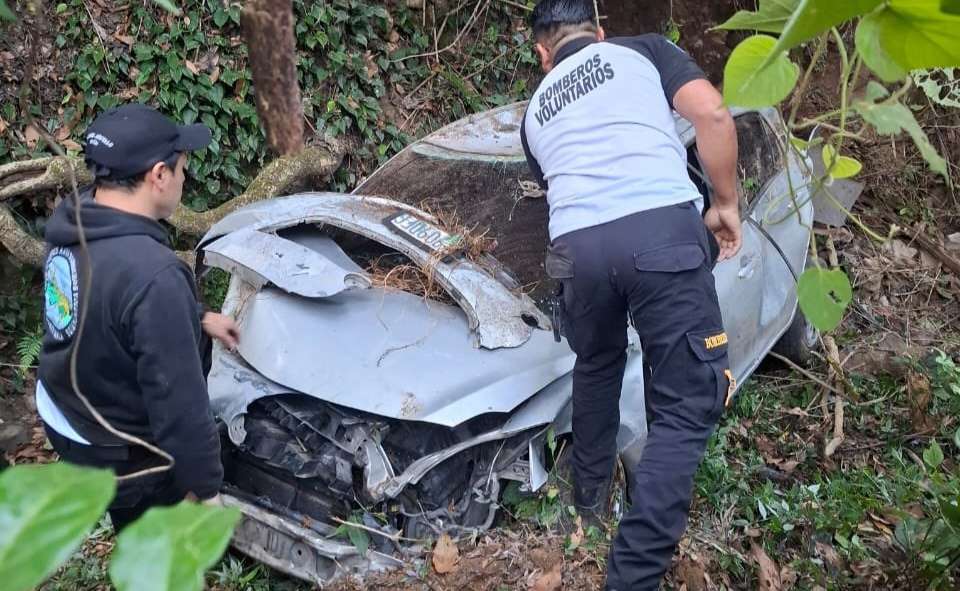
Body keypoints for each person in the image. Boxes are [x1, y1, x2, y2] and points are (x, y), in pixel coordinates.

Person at [520, 1, 742, 589]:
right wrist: (724, 203)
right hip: (658, 232)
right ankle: (633, 575)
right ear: (600, 32)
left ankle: (587, 509)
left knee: (595, 365)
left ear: (543, 54)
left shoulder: (535, 112)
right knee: (690, 401)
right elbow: (713, 117)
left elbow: (563, 184)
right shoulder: (641, 51)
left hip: (577, 253)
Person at [37, 104, 240, 530]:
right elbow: (180, 409)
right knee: (153, 540)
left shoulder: (76, 221)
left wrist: (194, 315)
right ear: (159, 175)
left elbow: (105, 299)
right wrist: (206, 491)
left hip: (66, 411)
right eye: (182, 168)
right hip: (118, 452)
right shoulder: (157, 276)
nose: (185, 179)